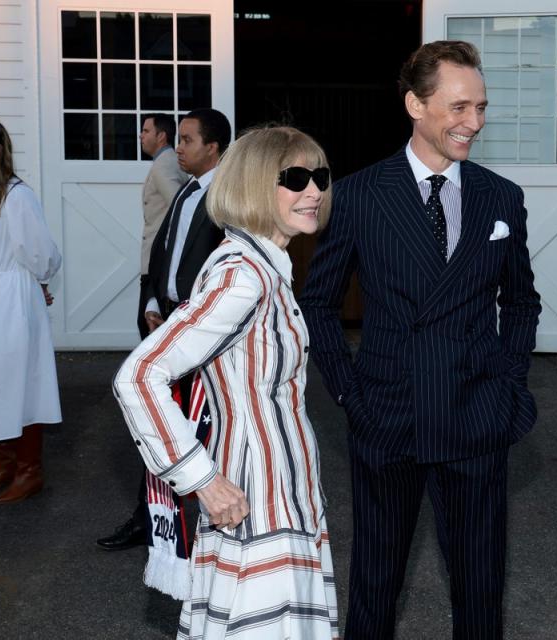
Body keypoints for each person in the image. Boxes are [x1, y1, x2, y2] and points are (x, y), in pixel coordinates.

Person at [300, 40, 541, 639]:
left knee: (481, 587)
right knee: (376, 585)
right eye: (459, 108)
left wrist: (508, 383)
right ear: (415, 104)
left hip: (475, 416)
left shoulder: (500, 196)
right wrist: (351, 396)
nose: (474, 123)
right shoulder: (357, 195)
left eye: (481, 108)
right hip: (389, 416)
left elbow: (521, 300)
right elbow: (319, 305)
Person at [113, 125, 339, 638]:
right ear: (256, 184)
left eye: (319, 176)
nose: (314, 191)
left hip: (283, 490)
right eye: (296, 177)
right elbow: (140, 375)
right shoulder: (244, 275)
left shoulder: (264, 267)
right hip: (256, 502)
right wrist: (201, 479)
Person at [97, 108, 230, 551]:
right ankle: (150, 517)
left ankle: (222, 517)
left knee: (207, 425)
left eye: (188, 140)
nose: (180, 149)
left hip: (203, 331)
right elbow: (163, 249)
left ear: (213, 147)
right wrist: (154, 299)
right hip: (167, 315)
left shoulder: (227, 200)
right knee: (157, 418)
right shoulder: (186, 190)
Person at [0, 116, 62, 504]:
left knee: (20, 381)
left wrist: (37, 282)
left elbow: (41, 252)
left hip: (11, 298)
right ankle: (4, 464)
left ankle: (29, 471)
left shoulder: (16, 195)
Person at [137, 112, 187, 339]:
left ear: (161, 136)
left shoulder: (163, 165)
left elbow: (179, 207)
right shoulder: (168, 162)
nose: (141, 135)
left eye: (146, 131)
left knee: (148, 327)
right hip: (162, 261)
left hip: (158, 262)